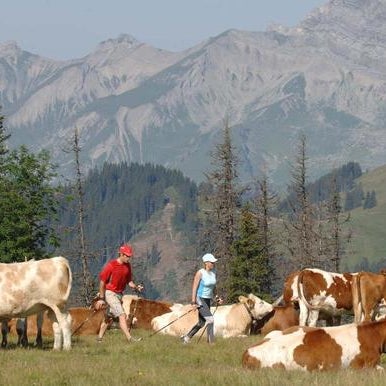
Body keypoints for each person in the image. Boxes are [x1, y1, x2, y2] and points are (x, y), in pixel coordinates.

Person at [94, 243, 143, 343]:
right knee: (122, 315)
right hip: (110, 293)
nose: (129, 258)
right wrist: (101, 298)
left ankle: (99, 339)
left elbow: (129, 281)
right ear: (121, 254)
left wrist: (136, 287)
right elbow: (102, 281)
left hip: (119, 294)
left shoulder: (127, 266)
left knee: (109, 318)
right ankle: (130, 339)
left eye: (130, 256)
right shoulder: (111, 266)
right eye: (127, 256)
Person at [181, 253, 223, 344]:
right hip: (200, 299)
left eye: (213, 262)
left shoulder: (214, 273)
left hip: (208, 300)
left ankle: (187, 338)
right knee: (210, 320)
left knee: (201, 323)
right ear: (206, 263)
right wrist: (193, 302)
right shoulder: (200, 273)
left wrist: (217, 297)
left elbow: (213, 287)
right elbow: (194, 287)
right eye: (212, 262)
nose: (213, 264)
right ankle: (211, 343)